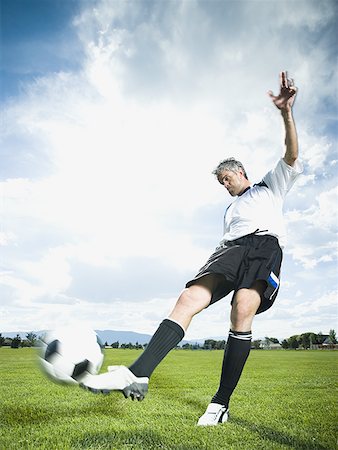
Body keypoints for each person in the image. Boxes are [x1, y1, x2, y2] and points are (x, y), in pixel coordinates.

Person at [81, 71, 302, 426]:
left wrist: (286, 113)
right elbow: (228, 240)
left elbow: (291, 152)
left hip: (264, 247)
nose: (225, 186)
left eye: (226, 179)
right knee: (187, 299)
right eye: (221, 183)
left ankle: (220, 403)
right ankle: (139, 372)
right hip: (230, 248)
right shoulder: (230, 211)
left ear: (241, 172)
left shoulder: (269, 186)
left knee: (242, 308)